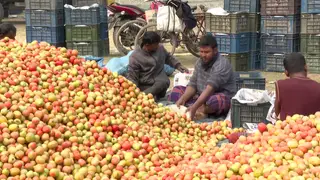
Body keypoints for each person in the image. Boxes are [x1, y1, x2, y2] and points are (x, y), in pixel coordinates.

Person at [168, 34, 236, 120]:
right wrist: (183, 98)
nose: (203, 55)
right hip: (200, 95)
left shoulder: (221, 65)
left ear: (215, 50)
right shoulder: (200, 62)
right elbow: (193, 84)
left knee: (215, 101)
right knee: (176, 92)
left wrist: (195, 106)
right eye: (201, 52)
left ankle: (199, 110)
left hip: (216, 96)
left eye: (207, 52)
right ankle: (194, 108)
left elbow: (210, 89)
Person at [127, 31, 188, 100]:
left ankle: (147, 96)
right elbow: (132, 77)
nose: (158, 46)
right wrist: (133, 92)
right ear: (147, 45)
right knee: (150, 96)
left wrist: (178, 65)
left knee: (163, 82)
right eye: (155, 44)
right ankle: (144, 96)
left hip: (160, 81)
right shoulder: (135, 57)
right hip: (145, 84)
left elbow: (168, 57)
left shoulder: (160, 48)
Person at [275, 52, 320, 120]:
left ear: (286, 72)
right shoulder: (318, 87)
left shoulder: (280, 85)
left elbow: (277, 112)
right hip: (313, 129)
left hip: (287, 129)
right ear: (306, 67)